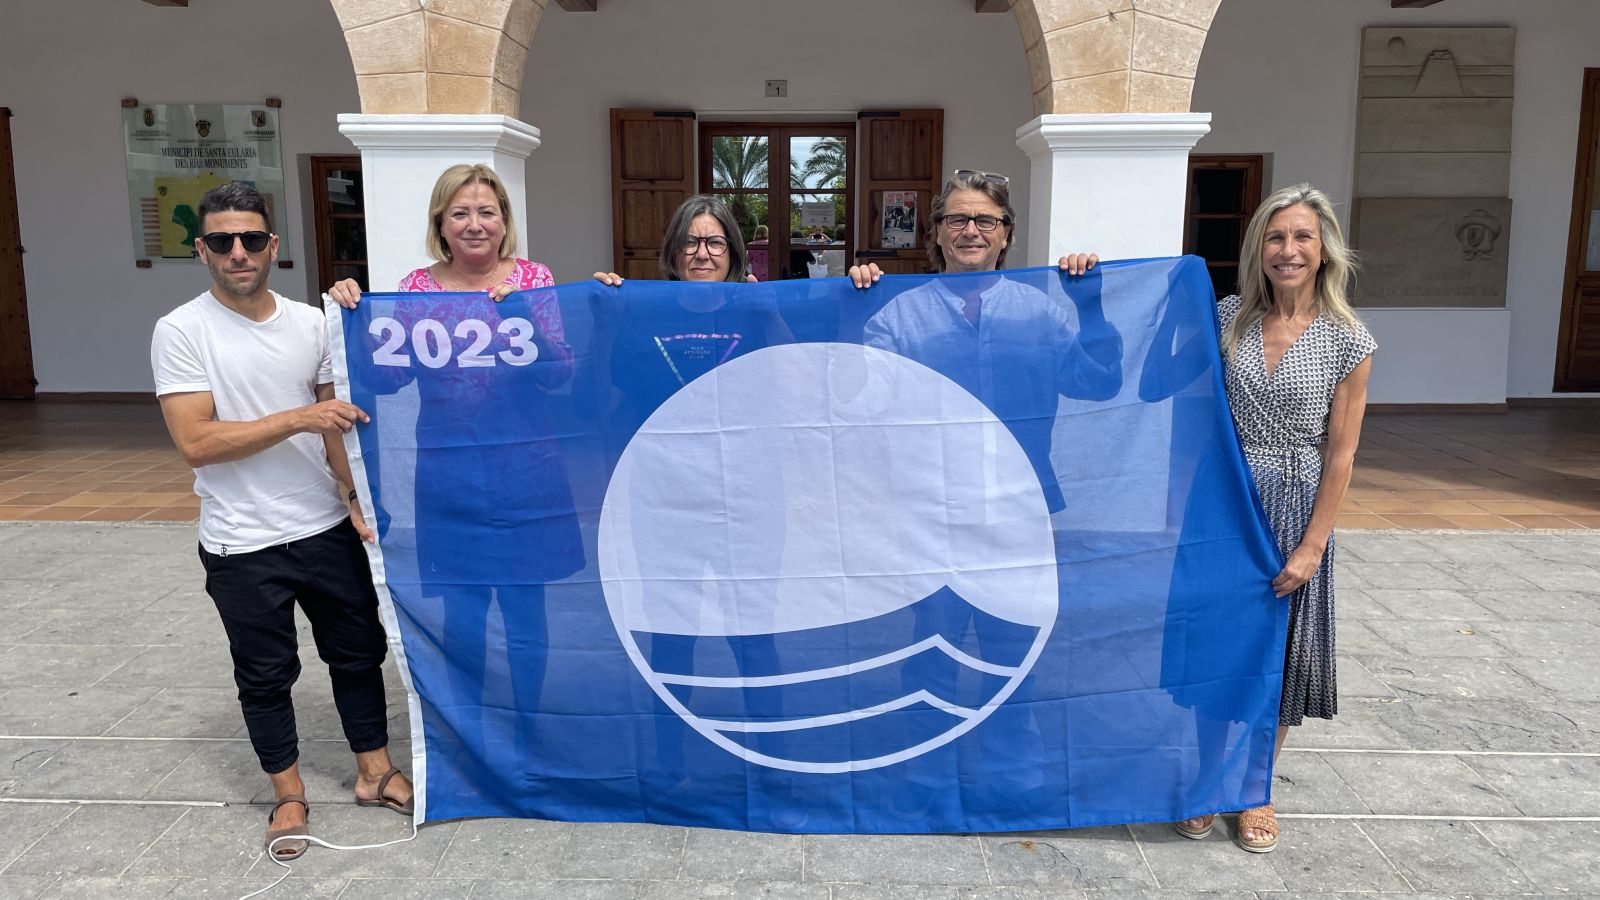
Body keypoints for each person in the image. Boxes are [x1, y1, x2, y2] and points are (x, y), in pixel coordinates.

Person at [151, 182, 412, 863]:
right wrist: (298, 416)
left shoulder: (310, 323)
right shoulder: (181, 332)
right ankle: (288, 793)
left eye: (250, 239)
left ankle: (374, 771)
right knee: (266, 675)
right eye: (221, 241)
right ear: (202, 250)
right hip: (241, 541)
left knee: (358, 656)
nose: (238, 252)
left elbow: (337, 427)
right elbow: (197, 442)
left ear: (272, 245)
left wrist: (354, 499)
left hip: (323, 525)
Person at [326, 164, 584, 786]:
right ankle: (471, 731)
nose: (475, 223)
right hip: (450, 475)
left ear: (504, 222)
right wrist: (356, 318)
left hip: (528, 472)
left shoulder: (534, 279)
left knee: (526, 610)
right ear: (441, 224)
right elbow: (388, 380)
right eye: (460, 212)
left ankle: (528, 726)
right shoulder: (414, 290)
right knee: (463, 612)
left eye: (487, 211)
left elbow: (560, 375)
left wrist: (524, 313)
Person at [1164, 183, 1376, 853]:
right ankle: (1206, 776)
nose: (1288, 249)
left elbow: (1341, 456)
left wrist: (1313, 546)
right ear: (1259, 248)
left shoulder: (1349, 338)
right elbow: (1173, 393)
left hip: (1296, 498)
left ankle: (1254, 786)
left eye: (1302, 237)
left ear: (1324, 250)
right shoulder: (1228, 317)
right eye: (1276, 237)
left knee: (1279, 653)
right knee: (1216, 643)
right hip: (1223, 496)